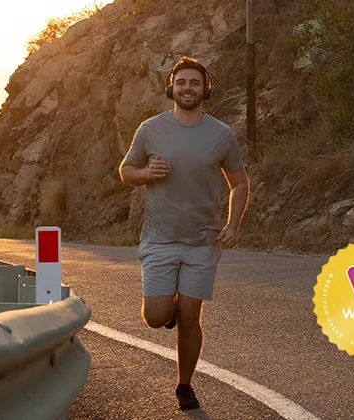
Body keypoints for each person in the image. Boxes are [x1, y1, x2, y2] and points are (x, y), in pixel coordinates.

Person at [118, 56, 250, 411]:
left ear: (205, 89)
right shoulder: (150, 129)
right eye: (181, 83)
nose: (187, 88)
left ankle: (185, 385)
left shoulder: (221, 134)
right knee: (156, 317)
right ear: (171, 88)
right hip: (160, 239)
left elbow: (239, 183)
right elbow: (126, 171)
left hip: (202, 242)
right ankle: (169, 307)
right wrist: (147, 174)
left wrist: (233, 225)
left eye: (194, 82)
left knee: (191, 316)